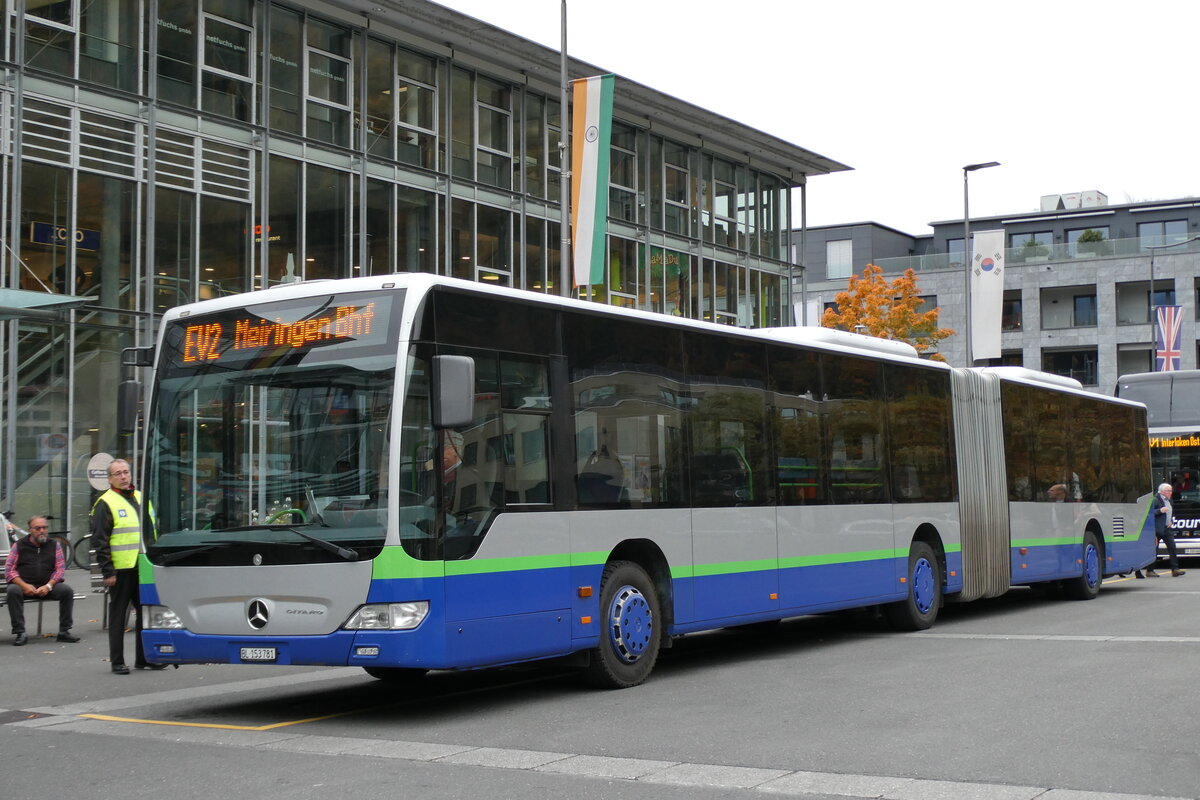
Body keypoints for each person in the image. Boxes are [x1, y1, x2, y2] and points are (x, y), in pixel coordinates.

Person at [92, 459, 165, 673]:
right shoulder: (105, 502)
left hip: (142, 566)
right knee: (118, 615)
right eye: (118, 473)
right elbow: (100, 540)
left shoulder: (141, 497)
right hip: (120, 569)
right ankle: (117, 662)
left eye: (126, 472)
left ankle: (144, 659)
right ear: (110, 479)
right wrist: (108, 570)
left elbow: (151, 532)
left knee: (145, 613)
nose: (123, 477)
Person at [5, 516, 80, 646]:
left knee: (67, 591)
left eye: (44, 528)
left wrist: (48, 586)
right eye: (37, 528)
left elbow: (60, 569)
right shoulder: (19, 545)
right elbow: (9, 570)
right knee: (12, 591)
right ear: (30, 530)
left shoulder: (54, 545)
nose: (42, 531)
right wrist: (24, 586)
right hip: (24, 587)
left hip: (47, 586)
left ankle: (64, 631)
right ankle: (20, 632)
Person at [1136, 482, 1186, 579]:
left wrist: (1170, 521)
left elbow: (1169, 513)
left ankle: (1175, 569)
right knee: (1154, 549)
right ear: (1162, 491)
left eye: (1171, 491)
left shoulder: (1169, 501)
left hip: (1167, 528)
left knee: (1172, 547)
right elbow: (1147, 513)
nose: (1170, 492)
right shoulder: (1155, 500)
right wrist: (1159, 511)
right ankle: (1150, 570)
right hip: (1157, 529)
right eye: (1168, 491)